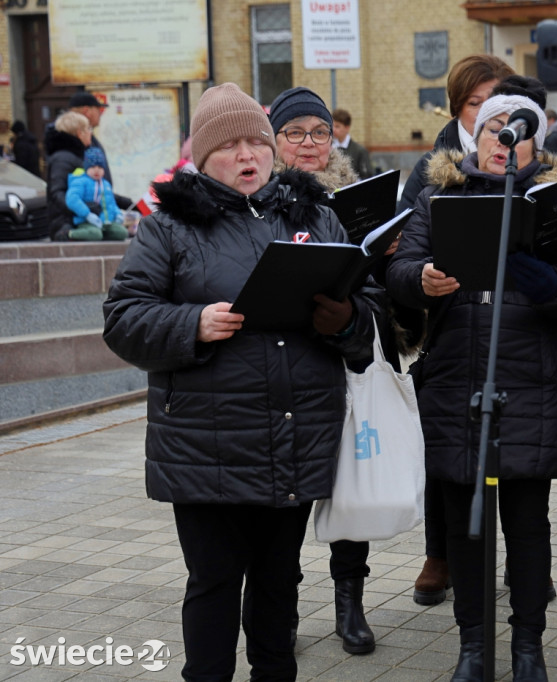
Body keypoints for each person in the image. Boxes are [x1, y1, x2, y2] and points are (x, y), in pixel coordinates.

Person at [102, 82, 383, 681]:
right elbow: (123, 319)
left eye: (256, 141)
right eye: (230, 146)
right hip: (208, 447)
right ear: (203, 158)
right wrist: (192, 324)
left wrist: (348, 318)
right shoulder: (169, 227)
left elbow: (369, 314)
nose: (248, 155)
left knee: (279, 584)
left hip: (296, 435)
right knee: (214, 583)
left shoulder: (316, 215)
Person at [387, 82, 557, 681]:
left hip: (532, 381)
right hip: (456, 381)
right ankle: (474, 646)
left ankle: (528, 647)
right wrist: (420, 278)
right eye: (494, 127)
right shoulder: (435, 198)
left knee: (528, 523)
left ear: (535, 143)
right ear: (475, 139)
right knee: (467, 525)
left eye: (519, 129)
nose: (506, 139)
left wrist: (550, 286)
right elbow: (397, 271)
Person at [396, 53, 515, 606]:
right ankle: (439, 554)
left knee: (512, 455)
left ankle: (519, 557)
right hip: (448, 329)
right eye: (476, 104)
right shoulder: (433, 170)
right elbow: (404, 251)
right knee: (446, 456)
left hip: (510, 331)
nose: (489, 115)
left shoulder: (526, 158)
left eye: (499, 103)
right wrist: (419, 276)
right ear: (458, 109)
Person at [265, 85, 373, 657]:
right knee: (286, 502)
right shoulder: (256, 199)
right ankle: (281, 609)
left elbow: (379, 296)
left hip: (343, 364)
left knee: (349, 492)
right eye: (295, 133)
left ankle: (350, 603)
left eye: (319, 132)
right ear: (274, 140)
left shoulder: (355, 197)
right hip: (282, 370)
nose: (309, 144)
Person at [397, 54, 514, 214]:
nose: (487, 112)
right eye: (474, 103)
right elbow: (406, 233)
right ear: (457, 108)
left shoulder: (529, 160)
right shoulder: (427, 170)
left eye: (495, 102)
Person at [67, 91, 133, 210]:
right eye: (99, 110)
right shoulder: (72, 144)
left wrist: (126, 204)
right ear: (87, 111)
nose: (101, 114)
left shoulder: (90, 140)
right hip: (87, 218)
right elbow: (74, 192)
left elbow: (98, 186)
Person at [44, 111, 92, 240]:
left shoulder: (78, 156)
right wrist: (85, 208)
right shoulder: (63, 159)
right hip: (67, 227)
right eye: (88, 128)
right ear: (79, 132)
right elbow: (57, 193)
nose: (90, 132)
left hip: (80, 222)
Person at [64, 146, 128, 241]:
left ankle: (101, 235)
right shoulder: (80, 181)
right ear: (86, 167)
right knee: (95, 234)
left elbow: (111, 203)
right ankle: (70, 234)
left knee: (122, 233)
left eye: (100, 167)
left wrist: (118, 214)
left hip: (105, 222)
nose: (97, 170)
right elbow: (72, 199)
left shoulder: (105, 184)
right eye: (93, 167)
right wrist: (87, 214)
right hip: (86, 221)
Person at [331, 108, 373, 180]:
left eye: (337, 126)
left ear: (347, 128)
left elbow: (367, 177)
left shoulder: (360, 151)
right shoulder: (328, 147)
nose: (333, 129)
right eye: (332, 126)